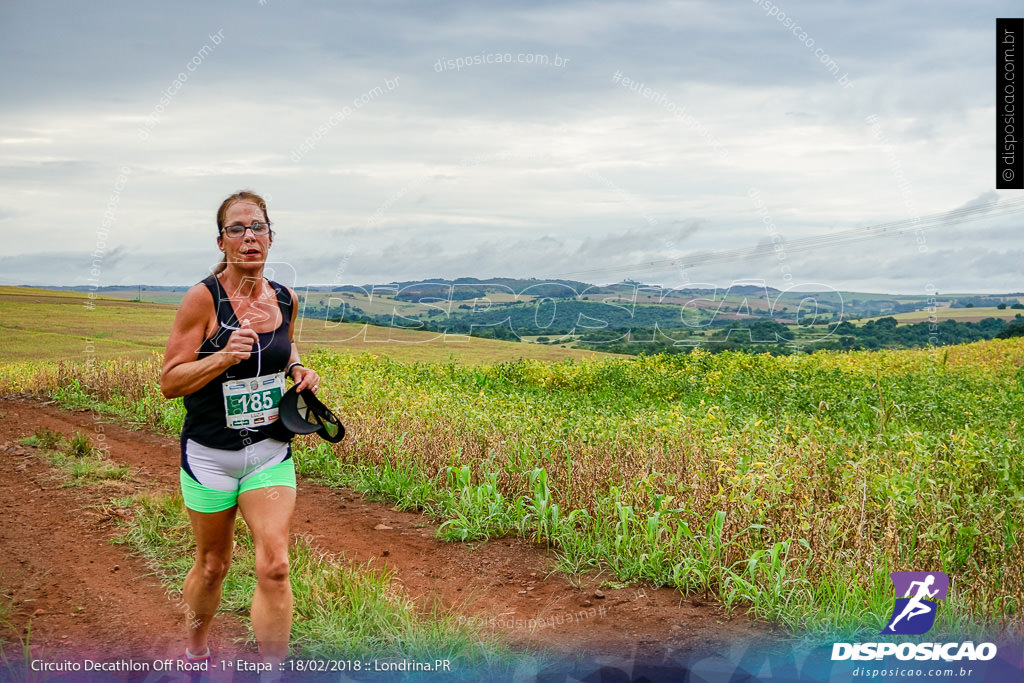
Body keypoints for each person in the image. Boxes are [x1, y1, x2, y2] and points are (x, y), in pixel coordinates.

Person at [160, 190, 319, 667]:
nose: (249, 237)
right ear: (222, 241)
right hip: (211, 456)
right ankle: (195, 654)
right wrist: (224, 355)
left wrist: (297, 370)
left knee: (275, 565)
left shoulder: (286, 298)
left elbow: (284, 348)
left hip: (269, 452)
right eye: (237, 229)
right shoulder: (201, 299)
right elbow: (169, 381)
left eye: (258, 228)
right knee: (213, 566)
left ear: (271, 238)